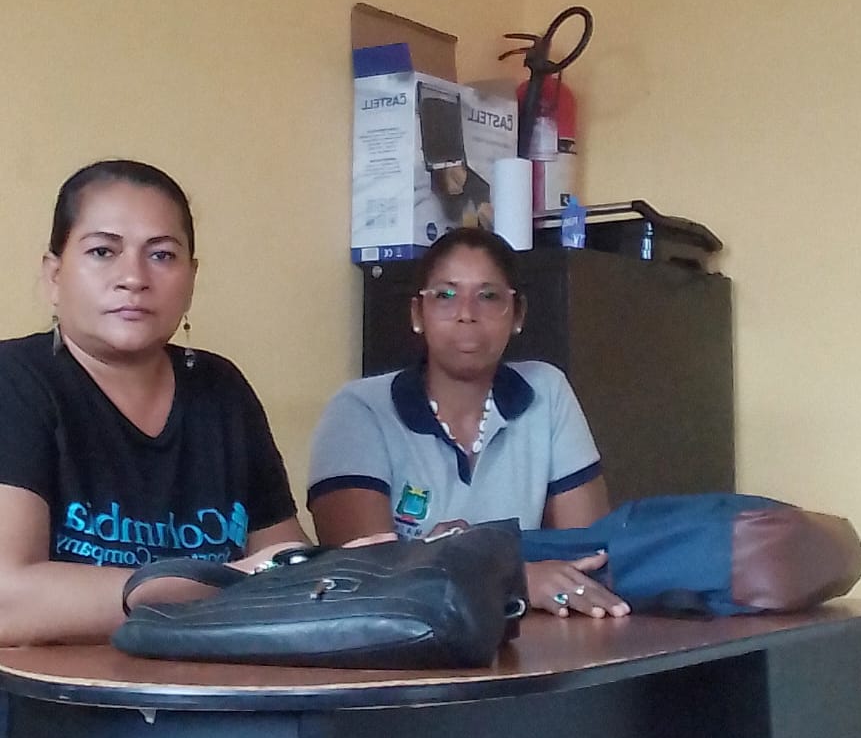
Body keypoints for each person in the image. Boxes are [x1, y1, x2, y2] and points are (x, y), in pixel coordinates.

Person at [0, 159, 316, 648]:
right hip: (55, 692)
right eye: (103, 251)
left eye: (162, 255)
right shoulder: (15, 380)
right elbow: (9, 599)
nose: (134, 277)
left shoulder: (221, 389)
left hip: (208, 684)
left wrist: (360, 570)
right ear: (54, 275)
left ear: (191, 278)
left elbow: (282, 571)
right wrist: (216, 585)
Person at [308, 227, 630, 618]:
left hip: (527, 633)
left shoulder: (546, 392)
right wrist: (511, 579)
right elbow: (365, 576)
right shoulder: (359, 411)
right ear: (417, 314)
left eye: (488, 296)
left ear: (518, 314)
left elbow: (588, 553)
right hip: (400, 640)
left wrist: (454, 562)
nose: (466, 314)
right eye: (445, 295)